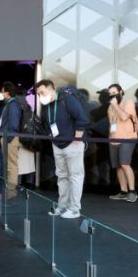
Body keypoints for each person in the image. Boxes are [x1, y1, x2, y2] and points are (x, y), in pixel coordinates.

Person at [36, 80, 90, 219]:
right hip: (57, 144)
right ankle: (63, 205)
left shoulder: (67, 99)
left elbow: (82, 118)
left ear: (51, 89)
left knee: (75, 176)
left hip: (72, 144)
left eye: (42, 92)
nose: (40, 96)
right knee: (62, 176)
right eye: (38, 94)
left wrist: (77, 139)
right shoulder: (47, 105)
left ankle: (74, 209)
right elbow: (47, 123)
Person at [107, 84, 138, 202]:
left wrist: (115, 105)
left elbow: (124, 117)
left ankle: (132, 191)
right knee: (118, 166)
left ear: (121, 91)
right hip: (113, 139)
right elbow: (111, 123)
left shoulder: (128, 102)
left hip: (128, 138)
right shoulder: (110, 106)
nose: (112, 95)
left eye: (114, 92)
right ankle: (123, 191)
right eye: (110, 93)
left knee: (125, 164)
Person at [0, 81, 22, 198]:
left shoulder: (13, 105)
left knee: (11, 166)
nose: (0, 94)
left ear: (7, 93)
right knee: (8, 165)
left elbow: (14, 124)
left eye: (2, 91)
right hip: (7, 137)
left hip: (10, 139)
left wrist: (8, 139)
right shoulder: (9, 104)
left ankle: (11, 192)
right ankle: (9, 190)